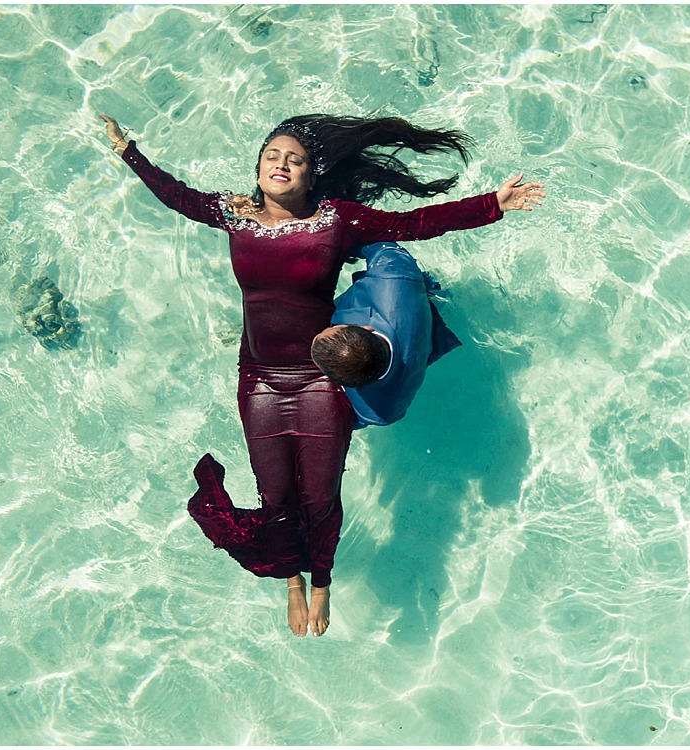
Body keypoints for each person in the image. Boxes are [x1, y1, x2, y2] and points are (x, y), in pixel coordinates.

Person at [102, 112, 545, 636]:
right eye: (272, 156)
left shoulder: (338, 219)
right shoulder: (234, 213)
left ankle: (321, 584)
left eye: (295, 159)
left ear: (311, 175)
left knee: (320, 493)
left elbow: (417, 224)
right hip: (260, 378)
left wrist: (493, 205)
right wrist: (129, 152)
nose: (281, 164)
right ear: (259, 168)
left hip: (317, 379)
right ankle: (291, 582)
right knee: (277, 494)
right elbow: (176, 195)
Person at [312, 241, 463, 428]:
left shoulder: (376, 413)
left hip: (418, 322)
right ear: (366, 329)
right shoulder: (393, 276)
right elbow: (382, 245)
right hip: (419, 315)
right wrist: (348, 247)